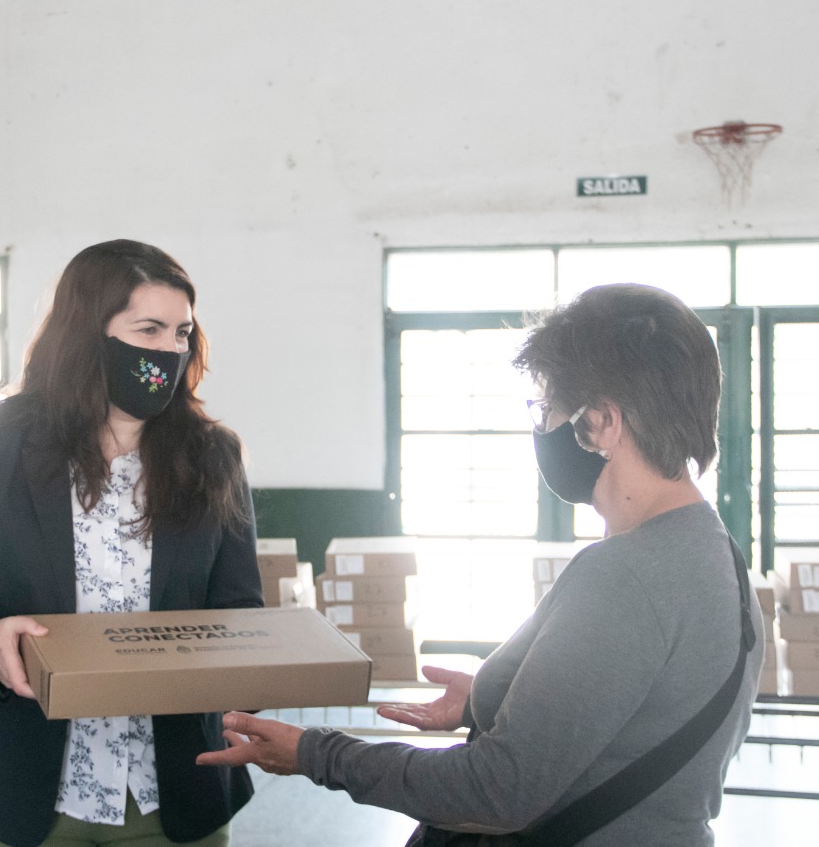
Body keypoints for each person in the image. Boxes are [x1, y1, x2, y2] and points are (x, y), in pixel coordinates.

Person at [197, 284, 764, 846]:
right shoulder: (717, 553)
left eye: (548, 411)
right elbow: (636, 719)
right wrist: (493, 696)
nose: (542, 430)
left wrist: (316, 752)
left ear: (603, 423)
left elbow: (496, 793)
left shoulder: (624, 575)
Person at [0, 239, 262, 847]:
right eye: (148, 329)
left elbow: (239, 611)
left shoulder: (212, 456)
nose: (168, 351)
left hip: (171, 784)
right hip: (20, 780)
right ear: (86, 333)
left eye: (181, 334)